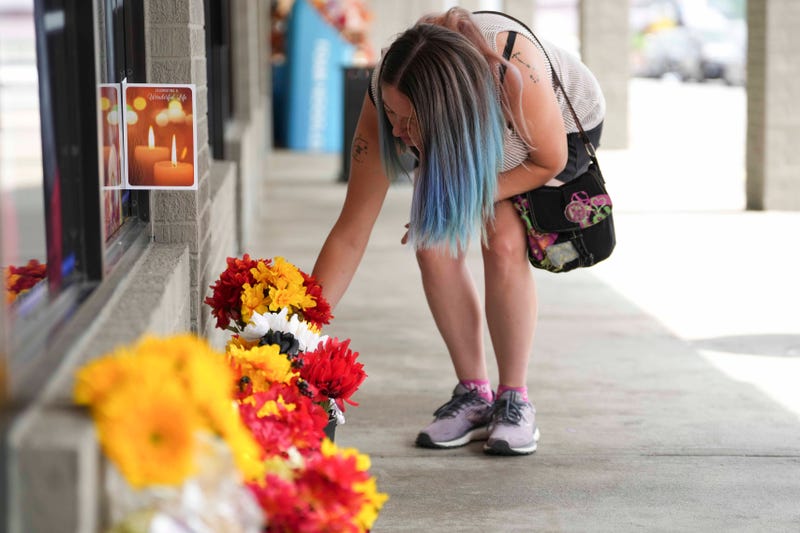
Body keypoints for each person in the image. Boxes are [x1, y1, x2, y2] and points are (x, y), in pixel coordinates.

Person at [311, 8, 605, 456]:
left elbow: (548, 160)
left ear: (445, 111)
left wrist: (458, 204)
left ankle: (514, 399)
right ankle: (473, 393)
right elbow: (351, 230)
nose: (396, 131)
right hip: (462, 134)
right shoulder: (388, 91)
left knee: (502, 240)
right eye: (391, 113)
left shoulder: (514, 69)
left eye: (409, 121)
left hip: (549, 136)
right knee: (433, 244)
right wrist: (297, 331)